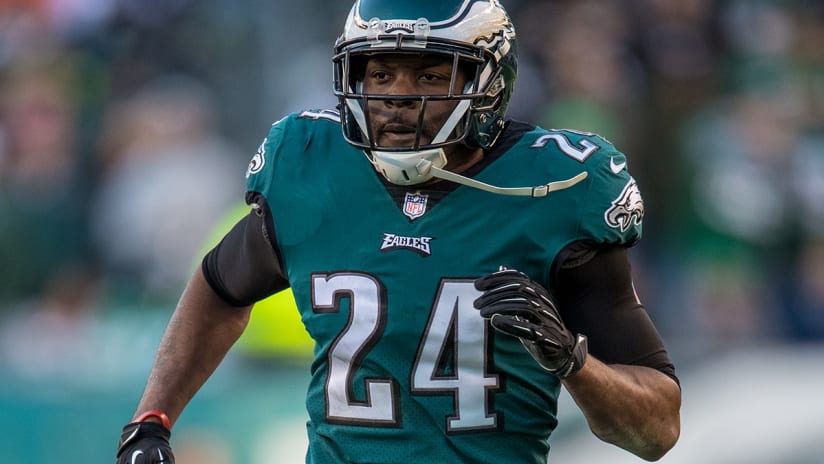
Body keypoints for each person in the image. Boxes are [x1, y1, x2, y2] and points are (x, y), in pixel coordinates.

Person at [115, 0, 681, 462]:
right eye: (381, 73)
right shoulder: (314, 167)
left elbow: (657, 431)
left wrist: (573, 363)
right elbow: (219, 287)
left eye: (430, 75)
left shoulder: (558, 188)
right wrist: (151, 418)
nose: (397, 97)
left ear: (487, 84)